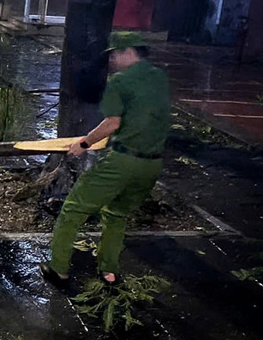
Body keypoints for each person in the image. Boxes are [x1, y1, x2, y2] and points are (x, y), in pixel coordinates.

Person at [40, 32, 171, 287]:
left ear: (129, 52)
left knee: (73, 209)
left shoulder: (121, 82)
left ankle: (58, 268)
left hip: (123, 161)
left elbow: (112, 122)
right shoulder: (159, 78)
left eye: (114, 54)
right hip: (152, 164)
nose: (111, 60)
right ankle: (109, 271)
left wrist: (84, 143)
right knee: (117, 213)